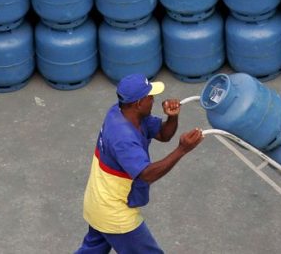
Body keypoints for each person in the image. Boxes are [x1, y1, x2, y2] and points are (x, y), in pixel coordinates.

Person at [75, 73, 204, 254]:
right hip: (114, 210)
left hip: (98, 202)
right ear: (138, 103)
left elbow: (164, 135)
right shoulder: (123, 137)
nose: (153, 99)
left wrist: (172, 117)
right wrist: (182, 150)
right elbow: (147, 174)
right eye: (150, 97)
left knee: (93, 251)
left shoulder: (124, 113)